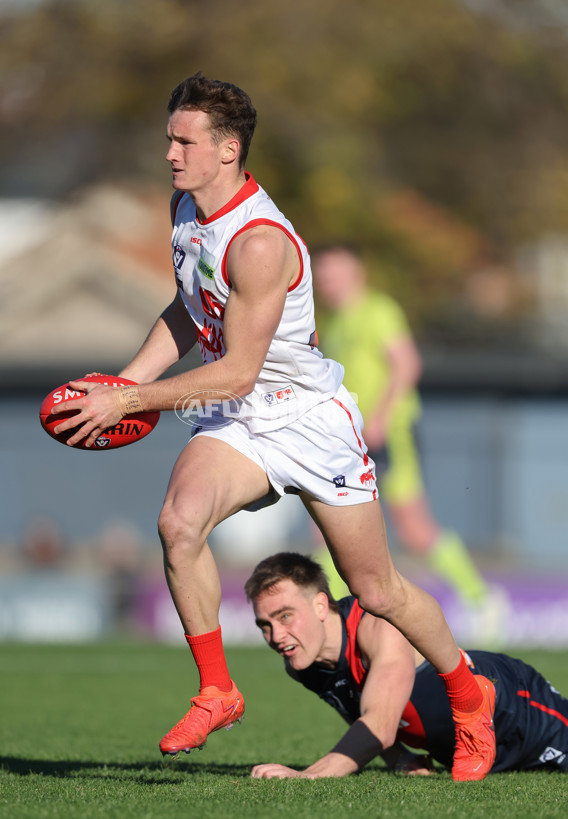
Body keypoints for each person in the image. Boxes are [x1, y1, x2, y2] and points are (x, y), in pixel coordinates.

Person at [51, 73, 495, 781]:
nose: (169, 152)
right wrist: (126, 381)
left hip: (308, 419)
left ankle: (472, 696)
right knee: (178, 523)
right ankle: (217, 689)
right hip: (242, 417)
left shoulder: (258, 242)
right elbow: (186, 308)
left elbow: (236, 372)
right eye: (169, 136)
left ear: (227, 150)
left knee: (376, 590)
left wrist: (131, 404)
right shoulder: (185, 208)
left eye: (184, 140)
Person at [246, 552, 568, 779]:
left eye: (285, 616)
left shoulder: (378, 628)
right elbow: (354, 708)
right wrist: (400, 759)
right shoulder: (302, 662)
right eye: (265, 625)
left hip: (517, 710)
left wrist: (306, 776)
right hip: (465, 752)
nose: (275, 636)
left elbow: (380, 725)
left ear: (319, 604)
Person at [310, 246, 495, 613]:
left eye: (336, 272)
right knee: (328, 520)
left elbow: (407, 364)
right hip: (349, 438)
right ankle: (326, 613)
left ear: (357, 272)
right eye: (323, 274)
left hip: (387, 434)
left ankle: (482, 600)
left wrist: (379, 418)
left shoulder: (378, 311)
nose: (328, 282)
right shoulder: (332, 322)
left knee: (413, 528)